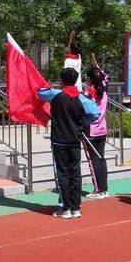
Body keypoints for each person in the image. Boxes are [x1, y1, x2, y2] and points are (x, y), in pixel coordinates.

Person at [38, 68, 101, 219]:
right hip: (74, 140)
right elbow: (96, 113)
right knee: (75, 173)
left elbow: (40, 94)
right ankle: (75, 207)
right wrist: (82, 122)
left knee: (62, 174)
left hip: (59, 141)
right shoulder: (82, 98)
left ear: (61, 81)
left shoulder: (56, 95)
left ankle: (65, 208)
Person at [83, 54, 111, 199]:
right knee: (101, 159)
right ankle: (104, 189)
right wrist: (97, 66)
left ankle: (98, 190)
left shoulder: (88, 95)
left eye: (87, 78)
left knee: (93, 161)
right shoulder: (103, 90)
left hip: (91, 131)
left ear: (90, 80)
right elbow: (105, 78)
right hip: (102, 129)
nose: (85, 80)